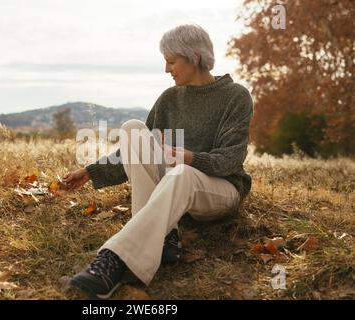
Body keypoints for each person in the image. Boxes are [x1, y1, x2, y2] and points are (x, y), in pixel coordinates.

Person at [62, 24, 253, 299]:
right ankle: (165, 237)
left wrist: (187, 157)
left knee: (182, 173)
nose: (166, 69)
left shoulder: (235, 96)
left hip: (220, 189)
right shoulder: (169, 99)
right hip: (177, 185)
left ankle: (114, 262)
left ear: (195, 58)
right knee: (132, 128)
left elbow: (230, 160)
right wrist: (90, 171)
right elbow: (139, 153)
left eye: (171, 61)